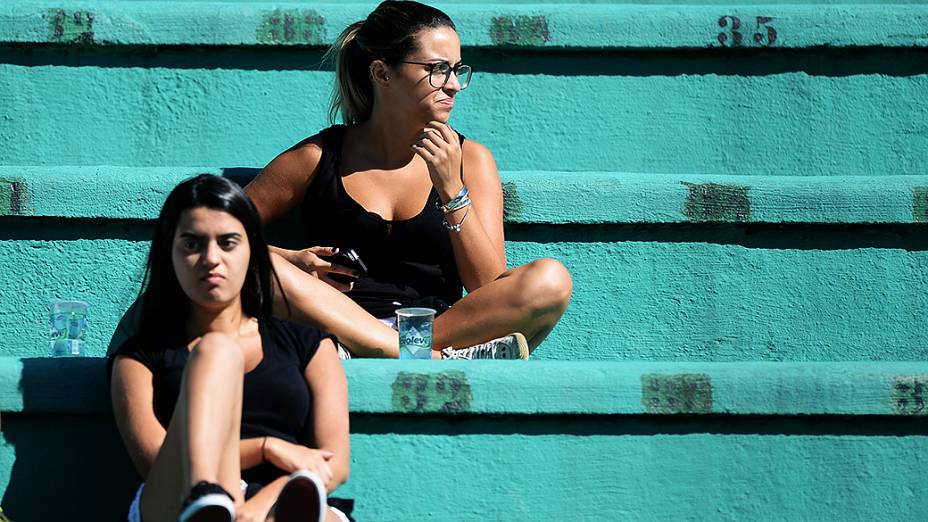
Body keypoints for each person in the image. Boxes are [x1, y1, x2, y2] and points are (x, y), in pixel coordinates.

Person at [245, 0, 573, 360]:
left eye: (456, 69)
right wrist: (291, 260)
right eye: (437, 69)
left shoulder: (472, 160)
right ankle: (431, 357)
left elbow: (486, 287)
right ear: (382, 73)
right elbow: (211, 233)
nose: (453, 85)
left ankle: (384, 348)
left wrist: (452, 190)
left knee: (551, 279)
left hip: (429, 326)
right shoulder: (319, 157)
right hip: (334, 322)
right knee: (262, 268)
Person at [107, 175, 352, 522]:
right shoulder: (139, 356)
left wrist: (252, 510)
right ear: (169, 253)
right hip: (175, 500)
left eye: (227, 243)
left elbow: (334, 464)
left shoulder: (310, 346)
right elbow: (154, 461)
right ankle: (207, 499)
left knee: (317, 512)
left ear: (253, 250)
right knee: (216, 351)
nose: (210, 258)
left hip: (280, 500)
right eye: (192, 244)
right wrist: (267, 448)